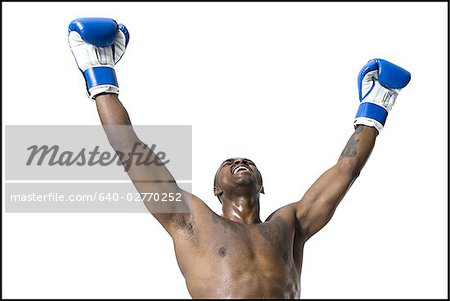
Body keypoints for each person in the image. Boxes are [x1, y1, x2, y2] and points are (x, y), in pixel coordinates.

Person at [68, 18, 411, 299]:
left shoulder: (290, 224)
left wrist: (375, 108)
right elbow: (130, 149)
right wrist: (101, 76)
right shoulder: (191, 220)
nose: (239, 162)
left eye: (247, 161)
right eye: (228, 162)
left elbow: (347, 169)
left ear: (262, 186)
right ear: (216, 188)